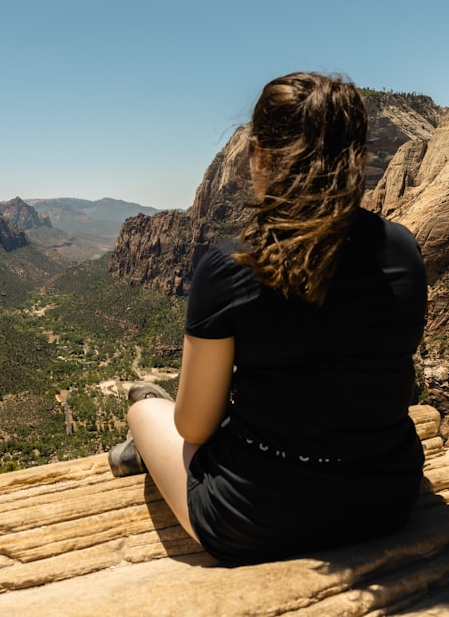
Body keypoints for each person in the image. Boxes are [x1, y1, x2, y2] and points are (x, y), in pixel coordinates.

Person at [108, 72, 428, 565]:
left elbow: (194, 426)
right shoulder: (404, 249)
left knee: (144, 406)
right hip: (384, 499)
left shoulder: (232, 265)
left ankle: (147, 445)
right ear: (356, 157)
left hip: (253, 517)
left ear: (257, 154)